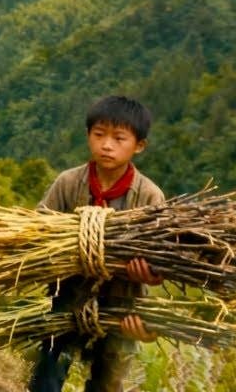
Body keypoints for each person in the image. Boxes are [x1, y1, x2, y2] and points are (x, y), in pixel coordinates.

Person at [30, 95, 165, 392]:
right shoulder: (68, 183)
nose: (107, 145)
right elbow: (39, 229)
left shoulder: (149, 197)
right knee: (46, 378)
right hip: (69, 298)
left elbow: (162, 262)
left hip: (122, 306)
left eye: (119, 138)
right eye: (99, 135)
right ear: (88, 135)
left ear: (139, 145)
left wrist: (149, 275)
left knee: (108, 383)